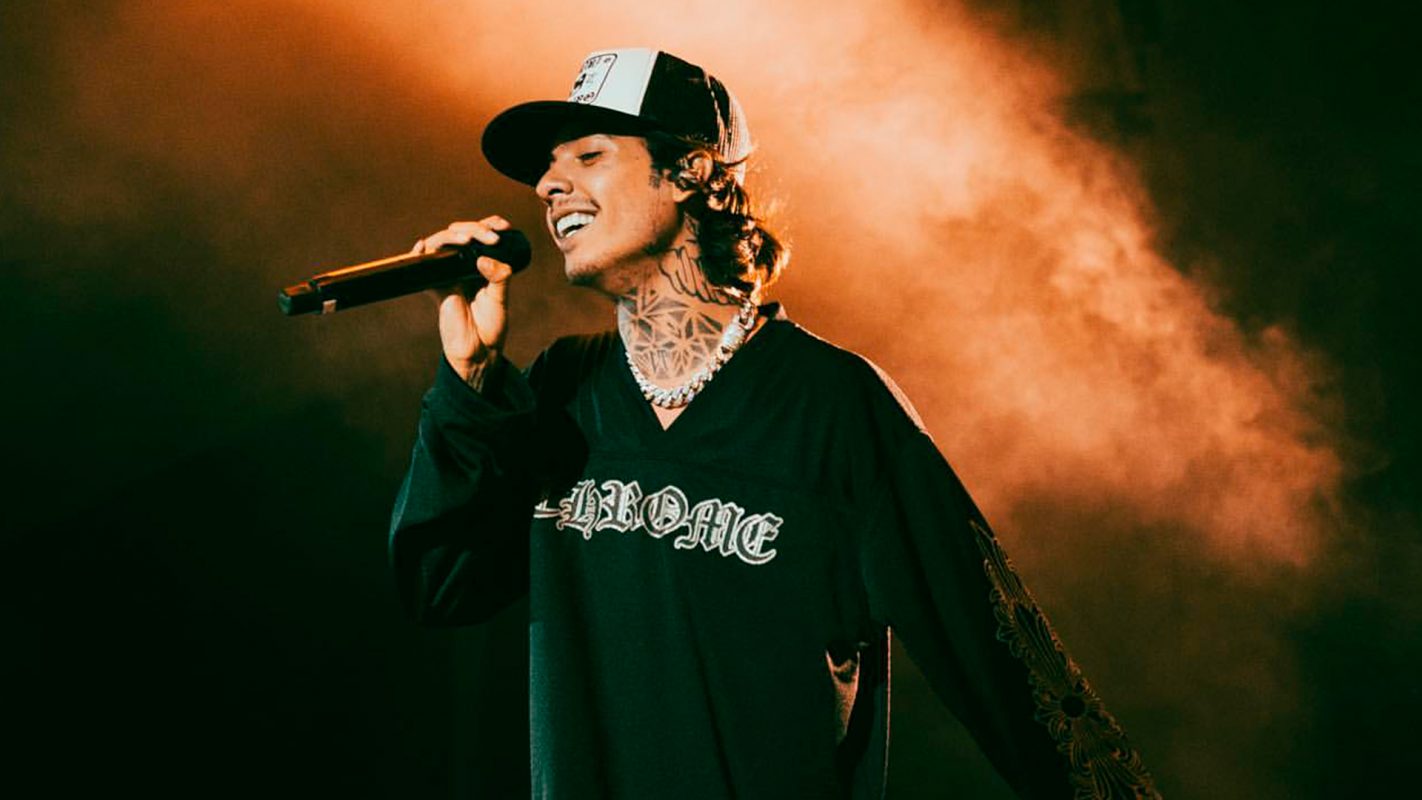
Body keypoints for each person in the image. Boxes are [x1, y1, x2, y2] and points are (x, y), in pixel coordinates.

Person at [389, 47, 1158, 799]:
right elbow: (440, 585)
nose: (548, 185)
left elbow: (999, 658)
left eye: (588, 155)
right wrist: (470, 384)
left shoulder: (833, 405)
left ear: (691, 171)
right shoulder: (562, 387)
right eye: (547, 168)